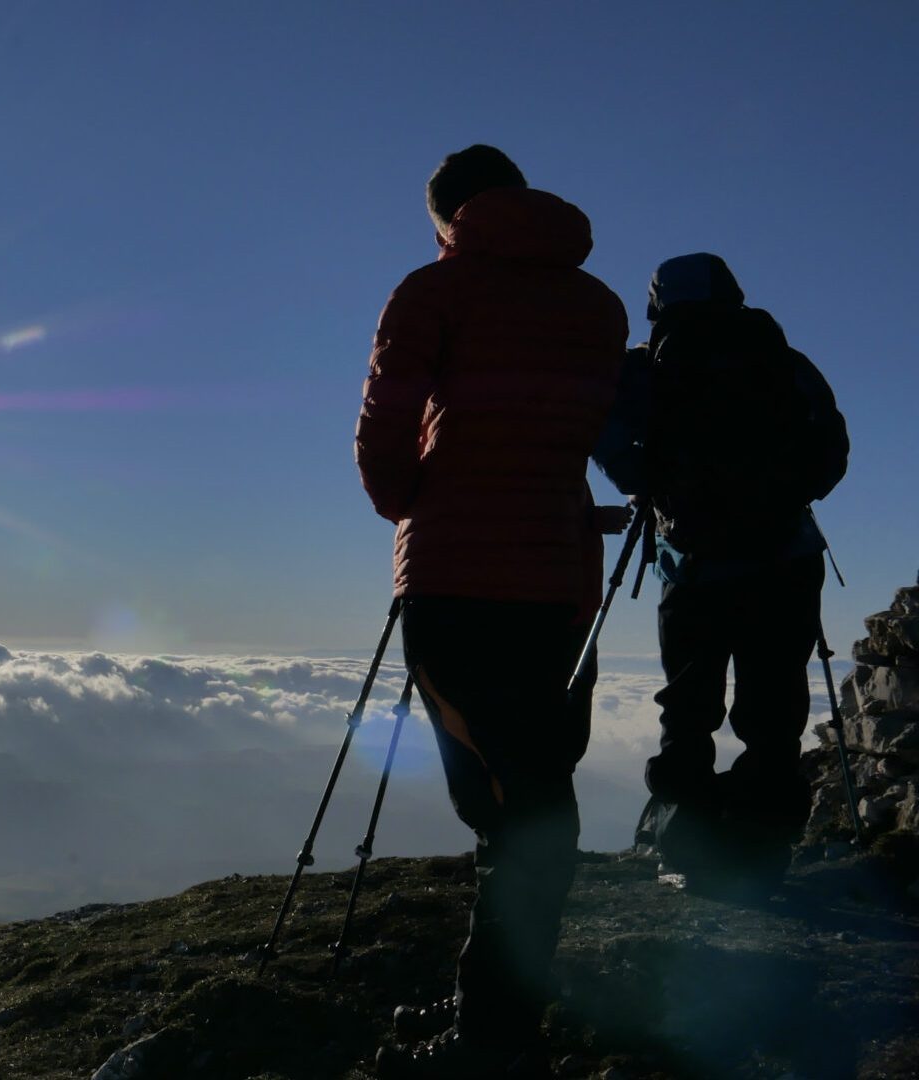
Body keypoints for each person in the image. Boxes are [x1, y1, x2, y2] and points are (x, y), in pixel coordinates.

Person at [357, 145, 627, 1078]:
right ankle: (496, 996)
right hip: (561, 583)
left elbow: (385, 428)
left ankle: (494, 1041)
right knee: (533, 787)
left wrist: (414, 504)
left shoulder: (435, 290)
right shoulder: (597, 305)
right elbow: (586, 434)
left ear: (446, 219)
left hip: (458, 580)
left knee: (509, 806)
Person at [592, 252, 848, 896]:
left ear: (658, 305)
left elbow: (606, 436)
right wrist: (783, 497)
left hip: (692, 567)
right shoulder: (781, 360)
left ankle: (687, 846)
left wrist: (651, 483)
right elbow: (832, 447)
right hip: (785, 561)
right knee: (774, 706)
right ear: (733, 294)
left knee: (689, 707)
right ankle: (761, 849)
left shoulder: (642, 369)